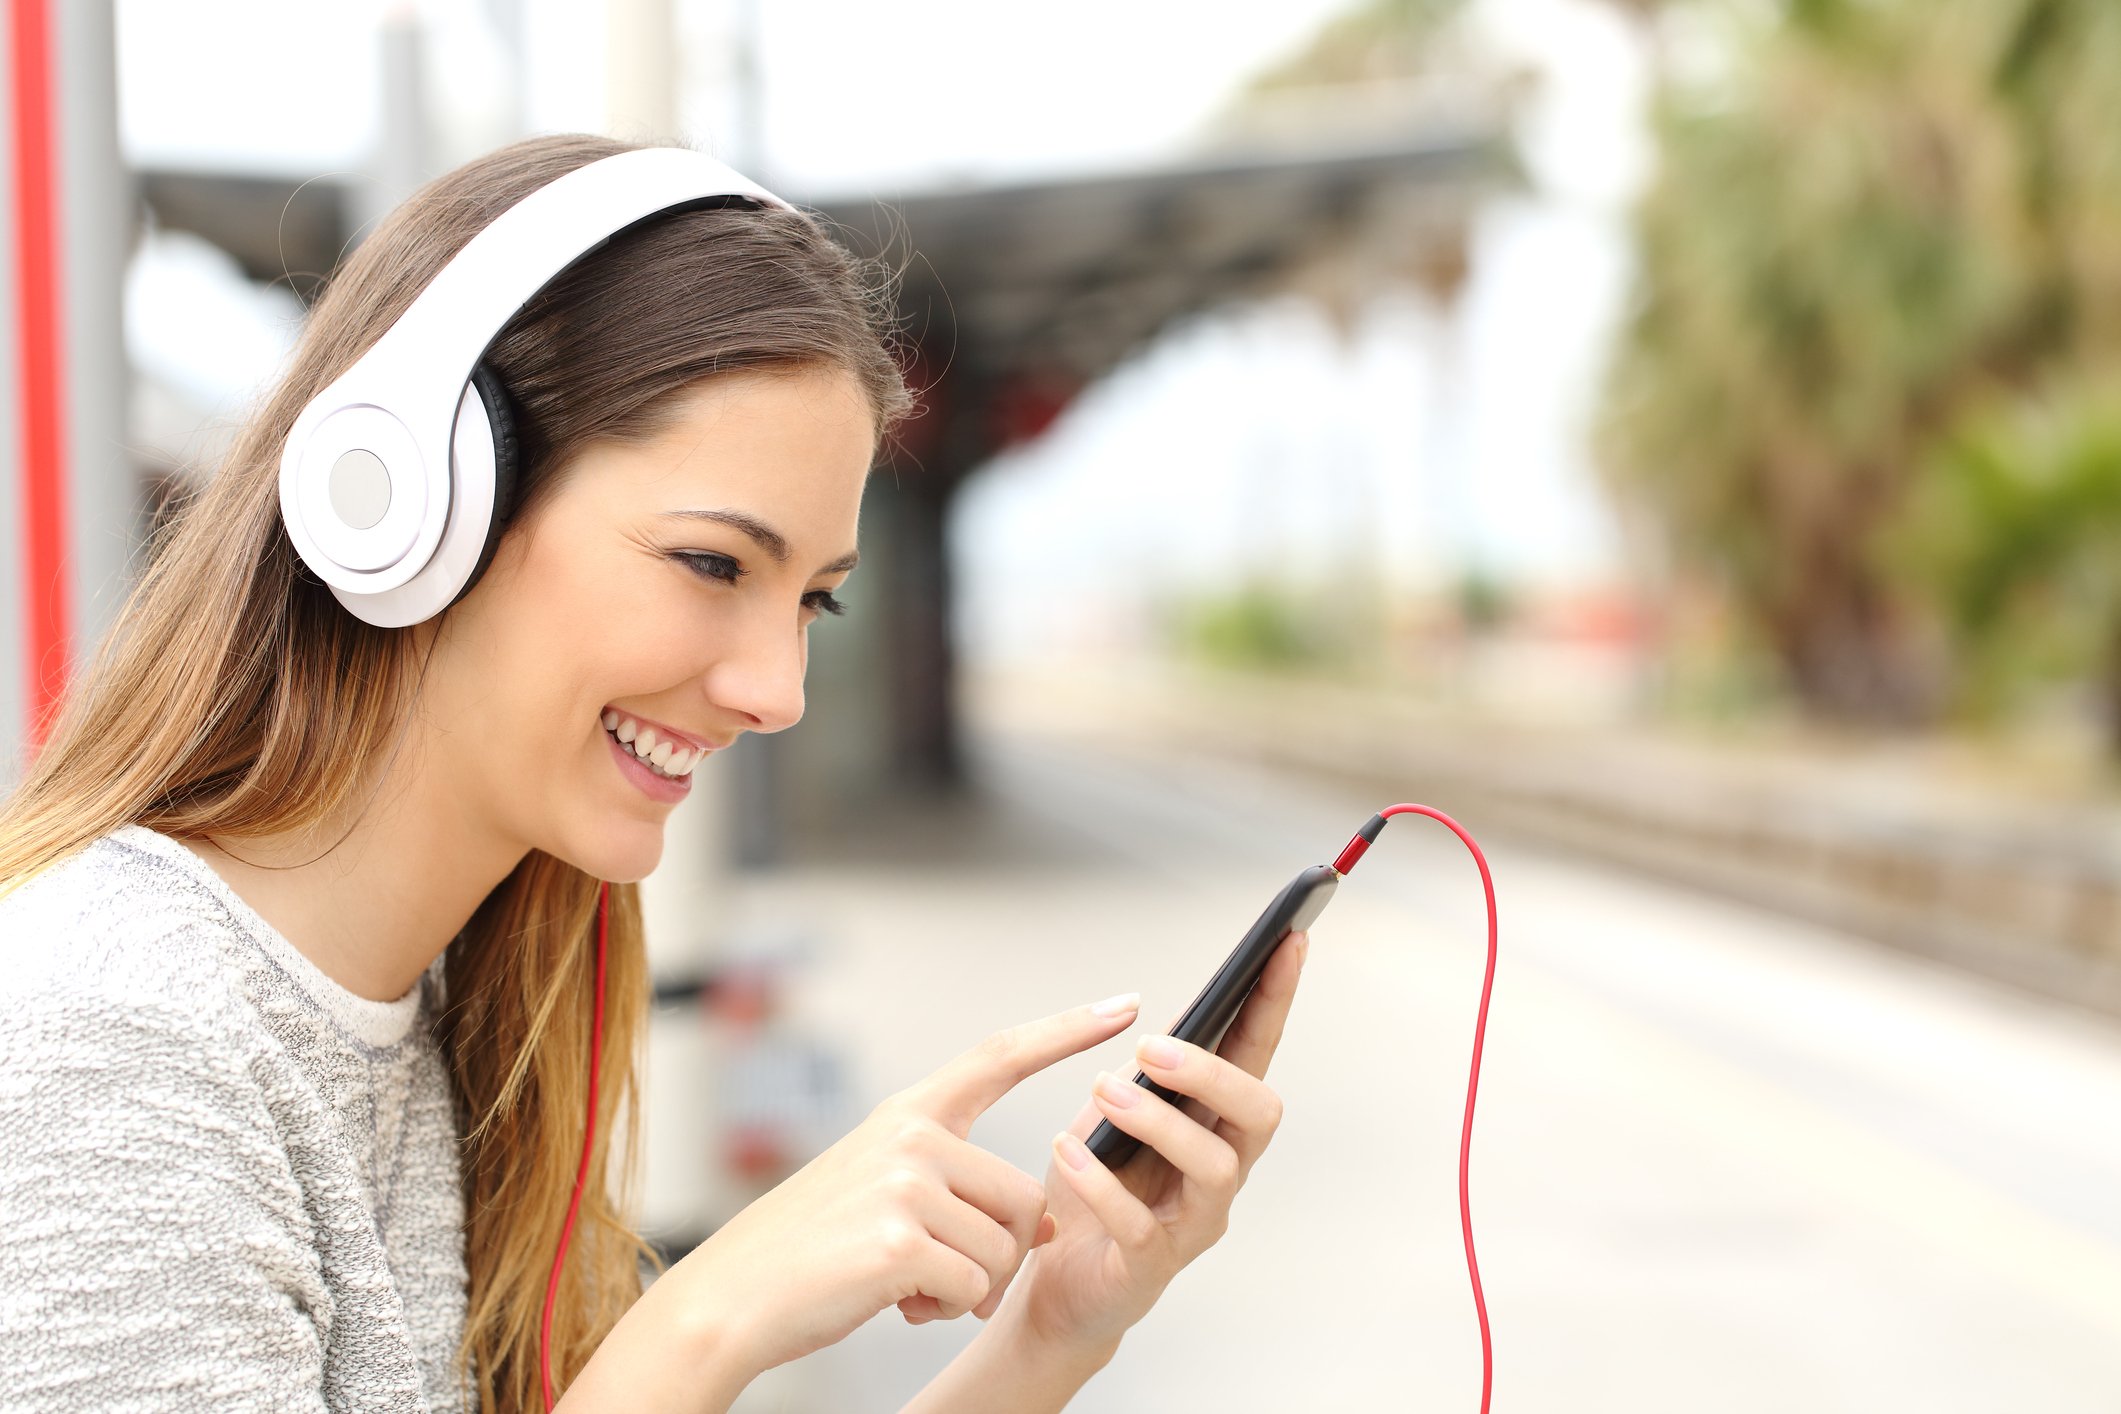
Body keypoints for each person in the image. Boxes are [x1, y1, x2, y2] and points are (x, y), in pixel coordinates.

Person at [0, 133, 1308, 1414]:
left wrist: (1043, 1342)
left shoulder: (478, 1004)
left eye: (814, 602)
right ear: (415, 500)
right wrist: (701, 1321)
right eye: (712, 564)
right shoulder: (110, 1033)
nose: (776, 690)